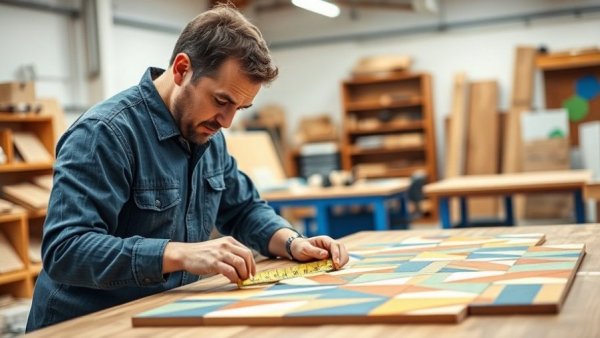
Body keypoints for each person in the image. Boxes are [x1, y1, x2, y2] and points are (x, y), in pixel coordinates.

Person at [26, 5, 349, 331]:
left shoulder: (208, 135)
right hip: (85, 326)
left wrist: (293, 243)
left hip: (160, 315)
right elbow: (66, 249)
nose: (227, 121)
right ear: (182, 69)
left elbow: (243, 209)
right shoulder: (105, 134)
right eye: (222, 101)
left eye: (241, 107)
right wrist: (178, 254)